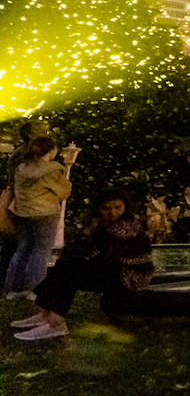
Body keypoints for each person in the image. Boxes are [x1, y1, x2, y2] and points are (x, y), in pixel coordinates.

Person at [13, 187, 153, 340]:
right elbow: (84, 247)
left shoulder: (129, 228)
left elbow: (108, 256)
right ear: (98, 209)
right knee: (64, 265)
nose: (112, 212)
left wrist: (82, 257)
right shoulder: (97, 224)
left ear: (125, 206)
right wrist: (76, 253)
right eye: (106, 208)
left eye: (117, 207)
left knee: (71, 269)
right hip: (112, 270)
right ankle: (46, 314)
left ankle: (56, 323)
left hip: (128, 276)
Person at [3, 136, 74, 300]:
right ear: (50, 150)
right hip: (45, 213)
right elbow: (63, 192)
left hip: (22, 212)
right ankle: (33, 288)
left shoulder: (21, 167)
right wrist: (67, 182)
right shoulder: (53, 169)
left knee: (22, 249)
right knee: (41, 251)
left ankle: (12, 289)